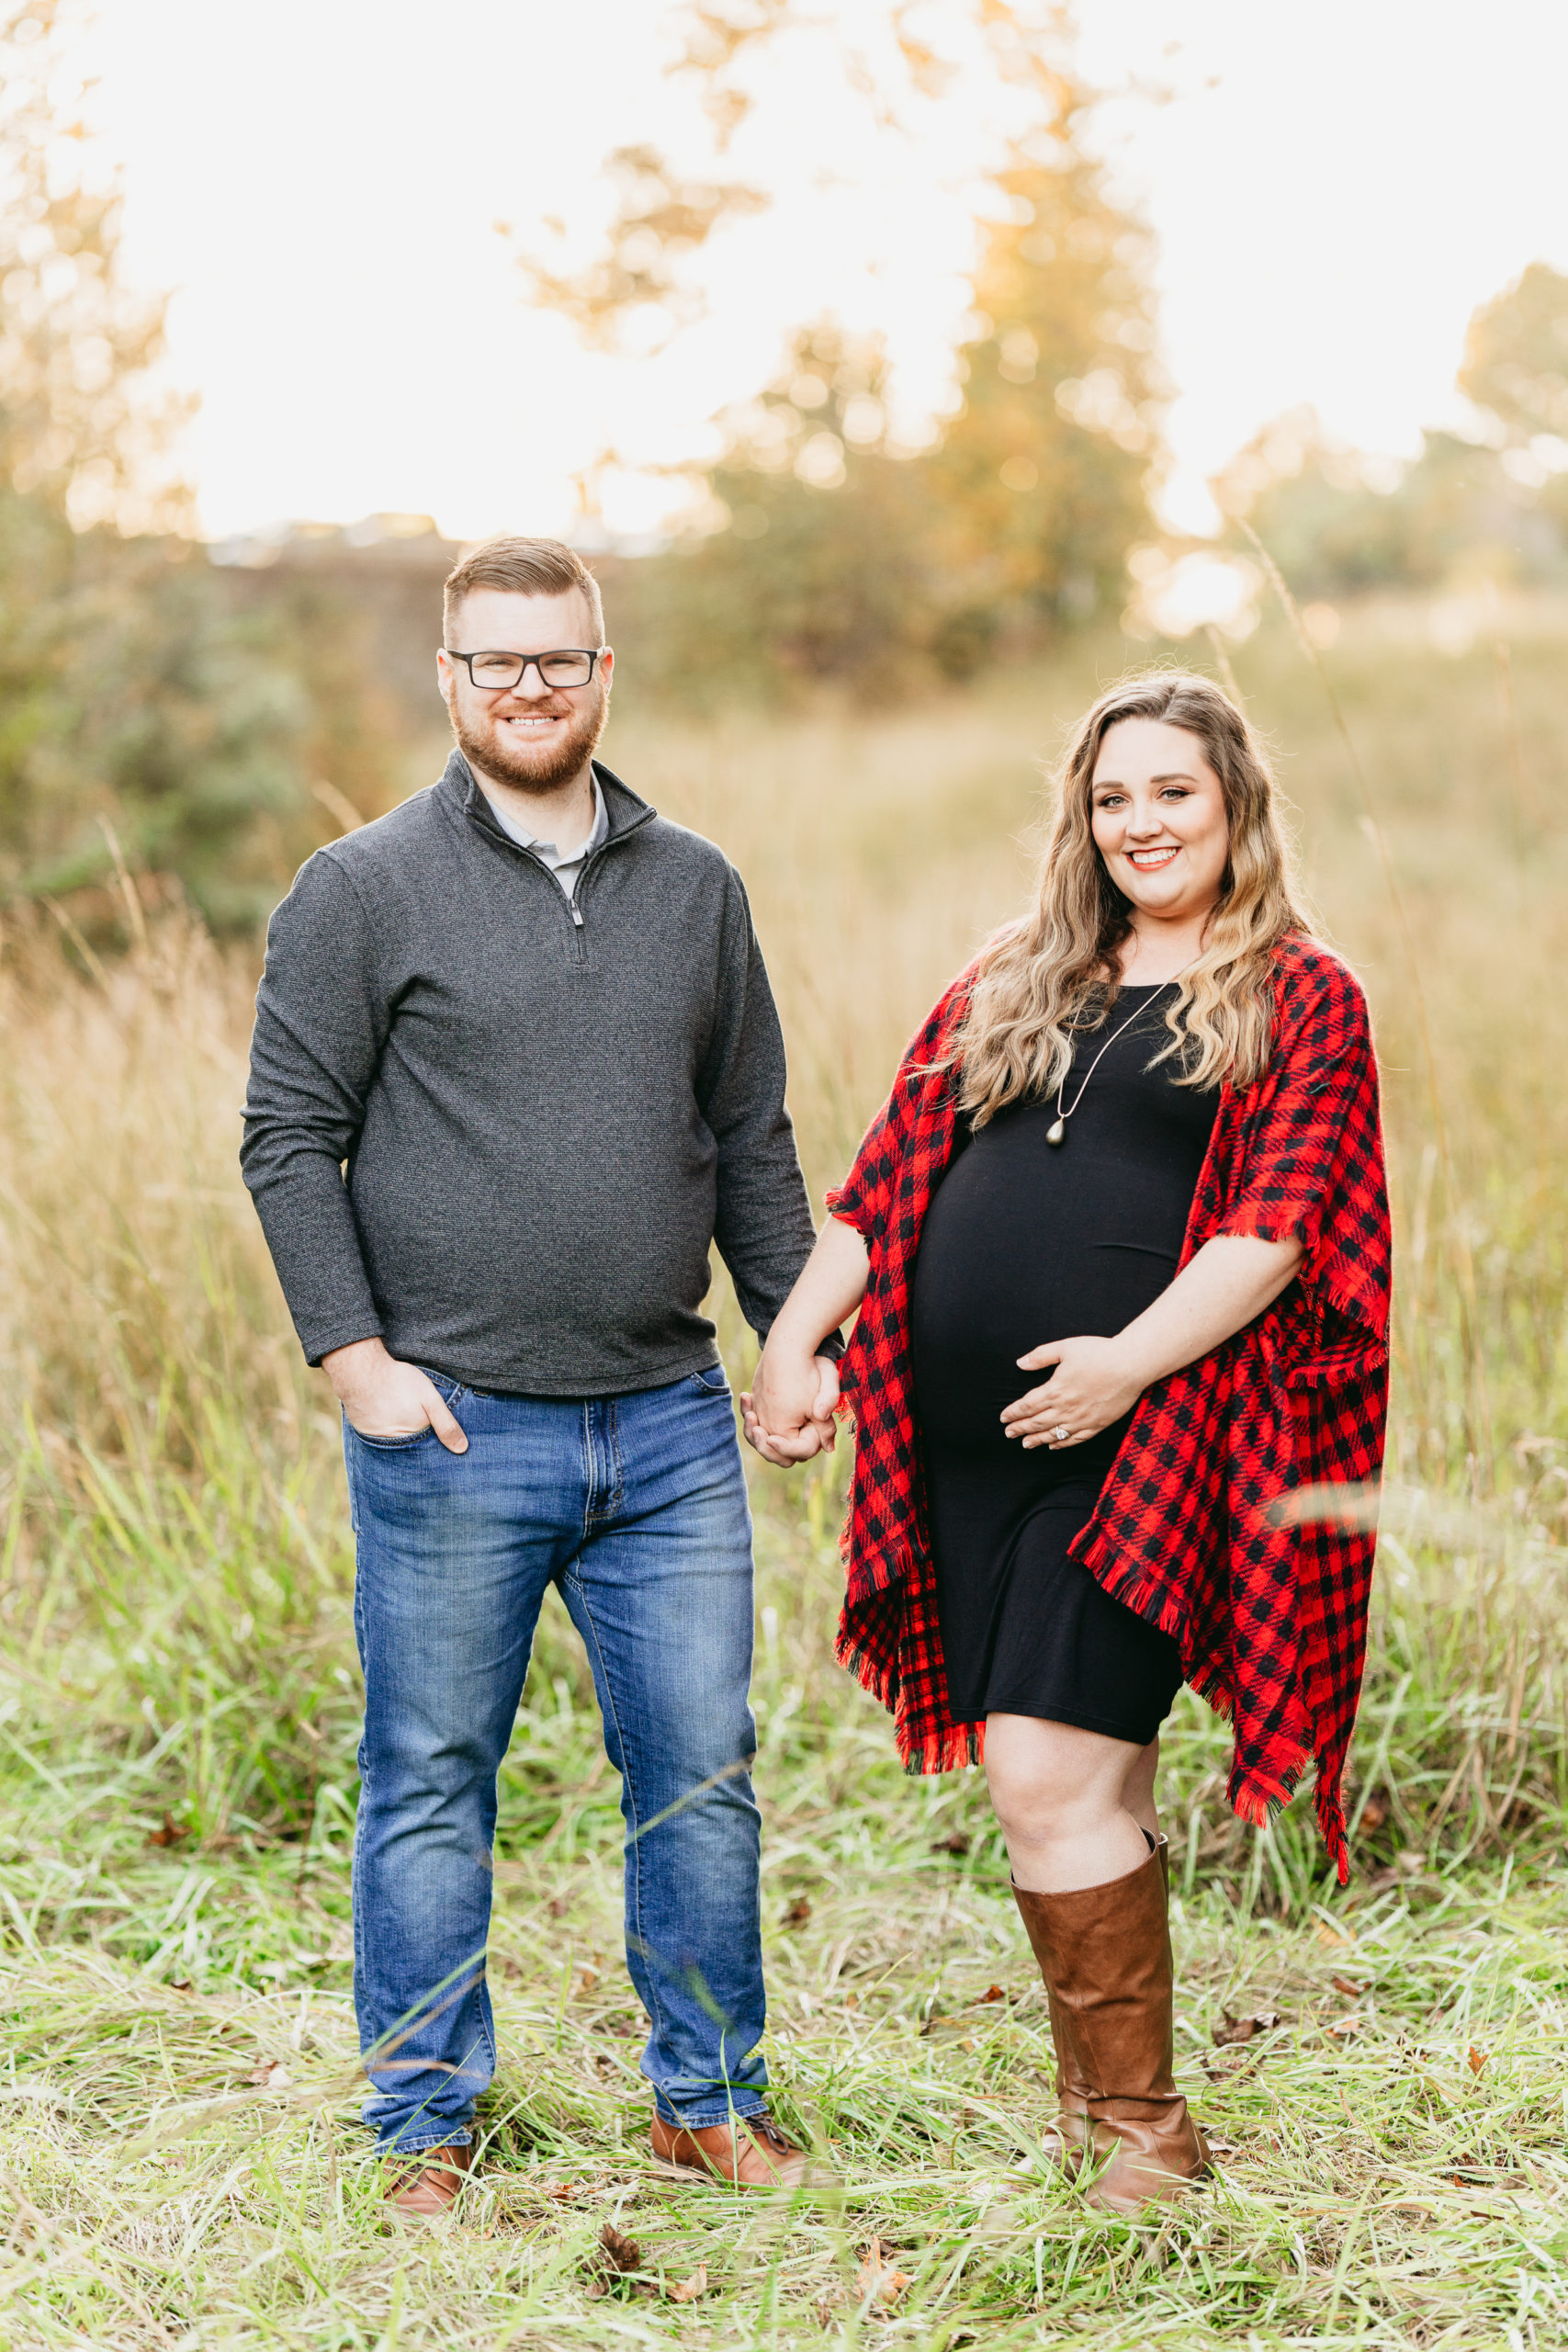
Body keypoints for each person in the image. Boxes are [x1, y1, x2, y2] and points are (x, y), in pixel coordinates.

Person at [242, 537, 838, 2216]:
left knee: (702, 1774)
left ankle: (707, 2100)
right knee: (432, 1778)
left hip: (666, 1423)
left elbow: (748, 1141)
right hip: (453, 1427)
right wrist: (356, 1362)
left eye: (558, 659)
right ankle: (425, 2124)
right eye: (495, 660)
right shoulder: (360, 888)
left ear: (601, 667)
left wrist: (792, 1339)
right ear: (448, 678)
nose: (528, 686)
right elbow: (288, 1138)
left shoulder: (696, 887)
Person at [742, 670, 1391, 2214]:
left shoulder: (1302, 992)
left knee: (1042, 1778)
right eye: (1112, 797)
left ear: (1235, 799)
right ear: (1080, 819)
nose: (1140, 822)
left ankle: (1141, 2145)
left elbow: (1280, 1233)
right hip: (965, 1453)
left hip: (1153, 1442)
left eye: (1172, 790)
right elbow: (886, 1182)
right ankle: (1111, 2123)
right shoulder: (1012, 975)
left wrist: (1123, 1364)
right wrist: (790, 1337)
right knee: (1082, 1785)